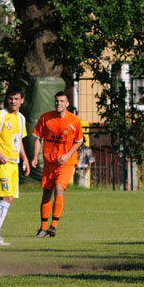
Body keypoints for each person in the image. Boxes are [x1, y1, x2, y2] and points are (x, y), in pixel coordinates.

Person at [31, 91, 84, 238]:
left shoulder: (74, 121)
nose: (59, 103)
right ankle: (42, 228)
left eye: (62, 101)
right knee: (46, 193)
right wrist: (35, 157)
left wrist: (67, 155)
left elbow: (79, 140)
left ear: (67, 103)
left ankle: (53, 226)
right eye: (57, 101)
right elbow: (37, 138)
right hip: (49, 163)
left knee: (59, 189)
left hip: (66, 163)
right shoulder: (46, 118)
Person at [0, 86, 30, 246]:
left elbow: (19, 140)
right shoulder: (0, 115)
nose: (13, 101)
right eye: (11, 98)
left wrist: (25, 159)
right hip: (1, 162)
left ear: (22, 100)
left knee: (8, 199)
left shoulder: (22, 119)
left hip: (14, 163)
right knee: (5, 198)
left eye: (16, 99)